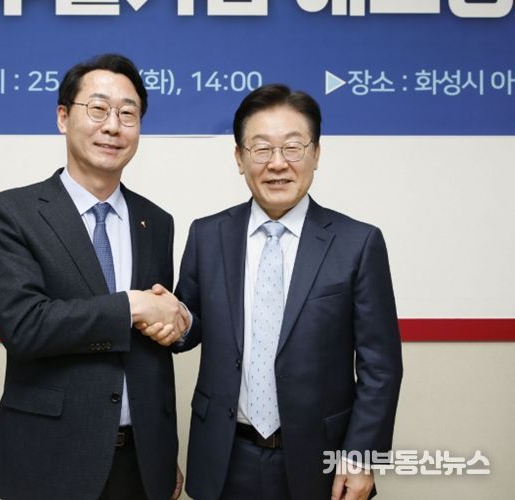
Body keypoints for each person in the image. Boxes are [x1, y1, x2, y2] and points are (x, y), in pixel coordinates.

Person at [167, 84, 403, 500]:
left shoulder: (357, 243)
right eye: (261, 149)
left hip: (320, 461)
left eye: (293, 147)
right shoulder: (207, 235)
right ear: (239, 158)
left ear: (316, 153)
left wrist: (361, 456)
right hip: (224, 456)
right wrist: (172, 319)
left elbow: (380, 367)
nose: (277, 163)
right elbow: (191, 327)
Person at [0, 53, 187, 500]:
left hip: (141, 463)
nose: (113, 126)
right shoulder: (9, 214)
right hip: (49, 460)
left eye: (127, 114)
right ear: (62, 117)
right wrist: (131, 306)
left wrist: (176, 320)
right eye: (98, 109)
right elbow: (24, 326)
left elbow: (151, 342)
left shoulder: (156, 221)